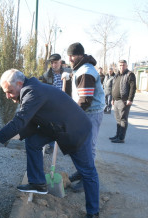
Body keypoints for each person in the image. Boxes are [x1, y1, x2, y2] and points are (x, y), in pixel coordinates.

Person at [0, 69, 100, 218]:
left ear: (19, 84)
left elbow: (19, 122)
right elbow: (31, 125)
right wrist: (3, 136)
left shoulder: (33, 92)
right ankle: (38, 183)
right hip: (57, 126)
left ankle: (93, 214)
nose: (8, 96)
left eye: (9, 92)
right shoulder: (30, 90)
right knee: (33, 141)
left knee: (87, 172)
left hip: (76, 129)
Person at [65, 42, 105, 193]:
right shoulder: (81, 69)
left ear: (80, 55)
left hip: (91, 113)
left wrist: (72, 116)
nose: (70, 59)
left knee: (88, 146)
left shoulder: (86, 72)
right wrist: (69, 75)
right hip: (89, 112)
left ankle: (86, 179)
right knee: (82, 145)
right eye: (69, 55)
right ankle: (82, 172)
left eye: (72, 56)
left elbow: (85, 100)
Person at [40, 53, 72, 154]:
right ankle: (52, 145)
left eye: (56, 63)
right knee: (52, 125)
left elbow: (72, 86)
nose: (54, 65)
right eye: (52, 63)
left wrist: (70, 76)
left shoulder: (67, 72)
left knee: (63, 125)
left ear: (60, 62)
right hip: (52, 103)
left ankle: (66, 145)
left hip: (64, 102)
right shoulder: (47, 75)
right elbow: (43, 90)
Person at [109, 60, 136, 143]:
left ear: (126, 66)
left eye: (123, 65)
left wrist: (130, 99)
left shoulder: (129, 74)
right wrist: (113, 99)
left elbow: (133, 88)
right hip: (116, 100)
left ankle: (121, 138)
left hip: (123, 101)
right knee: (118, 119)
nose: (122, 67)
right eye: (120, 65)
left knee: (123, 119)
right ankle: (117, 135)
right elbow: (114, 87)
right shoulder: (117, 75)